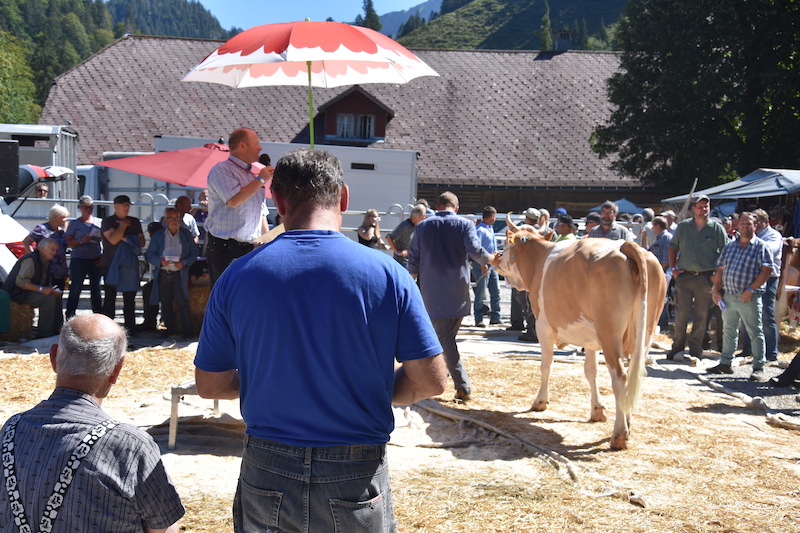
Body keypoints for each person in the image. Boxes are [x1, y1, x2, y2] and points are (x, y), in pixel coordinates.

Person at [194, 148, 446, 533]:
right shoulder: (388, 274)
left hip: (267, 467)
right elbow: (431, 380)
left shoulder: (236, 276)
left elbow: (210, 384)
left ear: (277, 202)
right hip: (356, 468)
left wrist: (267, 382)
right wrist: (371, 390)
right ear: (343, 197)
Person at [0, 314, 185, 532]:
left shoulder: (11, 431)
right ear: (116, 370)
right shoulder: (129, 445)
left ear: (53, 358)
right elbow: (163, 527)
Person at [408, 191, 494, 401]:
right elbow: (476, 251)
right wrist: (491, 259)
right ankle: (442, 375)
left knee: (444, 339)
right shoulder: (465, 224)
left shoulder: (423, 226)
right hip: (459, 291)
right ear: (456, 208)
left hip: (432, 291)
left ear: (438, 206)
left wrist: (411, 282)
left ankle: (462, 385)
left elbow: (414, 258)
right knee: (446, 338)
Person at [708, 212, 775, 381]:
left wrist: (750, 289)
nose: (745, 226)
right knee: (728, 330)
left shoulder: (761, 246)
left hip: (749, 297)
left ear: (755, 226)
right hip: (729, 295)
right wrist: (716, 290)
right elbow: (721, 269)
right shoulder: (730, 246)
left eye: (749, 223)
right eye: (742, 223)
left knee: (755, 332)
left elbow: (767, 271)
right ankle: (725, 363)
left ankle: (758, 367)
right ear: (737, 225)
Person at [205, 128, 273, 285]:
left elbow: (261, 211)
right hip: (225, 249)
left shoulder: (253, 176)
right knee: (227, 295)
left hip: (250, 248)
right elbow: (234, 200)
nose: (260, 148)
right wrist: (261, 179)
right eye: (256, 143)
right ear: (242, 146)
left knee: (245, 295)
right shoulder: (222, 170)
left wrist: (268, 241)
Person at [667, 195, 728, 360]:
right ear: (693, 209)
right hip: (684, 276)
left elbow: (726, 253)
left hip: (706, 277)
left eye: (706, 206)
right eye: (700, 206)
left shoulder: (716, 228)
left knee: (702, 316)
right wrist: (673, 269)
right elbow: (673, 247)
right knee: (681, 314)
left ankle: (695, 349)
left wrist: (718, 275)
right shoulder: (683, 227)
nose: (703, 209)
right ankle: (677, 347)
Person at [146, 207, 199, 339]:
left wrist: (184, 263)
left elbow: (194, 253)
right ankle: (169, 329)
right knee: (165, 302)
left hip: (179, 273)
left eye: (176, 218)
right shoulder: (159, 236)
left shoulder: (186, 235)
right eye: (171, 218)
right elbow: (149, 254)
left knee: (182, 302)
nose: (174, 221)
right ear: (165, 220)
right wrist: (160, 262)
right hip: (164, 272)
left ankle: (187, 331)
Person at [739, 209, 783, 361]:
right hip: (750, 278)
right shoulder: (750, 237)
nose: (755, 226)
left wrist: (750, 243)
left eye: (758, 222)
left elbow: (767, 251)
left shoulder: (774, 236)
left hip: (768, 279)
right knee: (747, 314)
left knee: (766, 315)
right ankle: (747, 350)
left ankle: (771, 353)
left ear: (766, 222)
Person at [2, 238, 63, 338]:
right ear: (41, 248)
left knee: (56, 296)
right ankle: (44, 334)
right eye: (52, 248)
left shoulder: (46, 261)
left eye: (56, 249)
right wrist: (42, 289)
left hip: (27, 292)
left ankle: (56, 330)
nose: (54, 252)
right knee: (48, 298)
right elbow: (21, 282)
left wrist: (51, 289)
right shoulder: (31, 259)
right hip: (17, 293)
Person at [101, 195, 145, 330]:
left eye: (128, 205)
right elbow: (113, 240)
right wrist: (123, 226)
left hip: (129, 265)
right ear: (115, 206)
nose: (127, 207)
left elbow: (142, 242)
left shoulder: (135, 222)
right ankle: (106, 328)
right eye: (124, 205)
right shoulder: (107, 221)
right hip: (110, 263)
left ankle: (130, 328)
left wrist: (123, 237)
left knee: (129, 298)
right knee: (110, 296)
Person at [64, 195, 103, 319]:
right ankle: (70, 314)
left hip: (96, 258)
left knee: (96, 288)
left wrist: (103, 256)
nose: (88, 210)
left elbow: (107, 241)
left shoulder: (99, 222)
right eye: (85, 207)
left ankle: (98, 315)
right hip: (79, 259)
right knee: (76, 287)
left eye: (91, 207)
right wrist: (81, 241)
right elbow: (67, 243)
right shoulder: (74, 224)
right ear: (79, 208)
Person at [509, 208, 540, 335]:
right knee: (534, 299)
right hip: (538, 271)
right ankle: (532, 327)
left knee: (522, 298)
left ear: (527, 218)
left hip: (523, 271)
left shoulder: (521, 233)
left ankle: (527, 327)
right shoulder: (543, 232)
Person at [23, 204, 69, 290]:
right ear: (55, 217)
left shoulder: (61, 232)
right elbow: (26, 242)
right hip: (46, 270)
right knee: (47, 294)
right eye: (63, 217)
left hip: (60, 272)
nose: (65, 220)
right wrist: (34, 258)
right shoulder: (42, 229)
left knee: (58, 294)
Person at [472, 206, 502, 326]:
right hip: (483, 264)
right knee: (481, 292)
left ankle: (495, 316)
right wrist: (482, 263)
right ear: (492, 216)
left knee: (495, 290)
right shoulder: (480, 230)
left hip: (492, 264)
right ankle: (478, 317)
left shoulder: (489, 229)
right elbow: (477, 249)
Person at [648, 216, 673, 329]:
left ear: (658, 225)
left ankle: (662, 322)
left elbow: (666, 260)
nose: (652, 228)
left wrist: (657, 272)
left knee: (662, 297)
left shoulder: (666, 238)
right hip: (658, 271)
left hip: (663, 272)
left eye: (653, 225)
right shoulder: (659, 238)